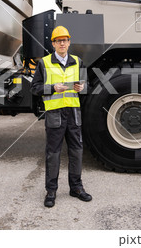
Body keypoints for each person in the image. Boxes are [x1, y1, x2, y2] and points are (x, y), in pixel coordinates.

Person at [31, 25, 92, 208]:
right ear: (53, 44)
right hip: (55, 114)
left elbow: (86, 85)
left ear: (69, 42)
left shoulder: (78, 61)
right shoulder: (44, 63)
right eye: (58, 41)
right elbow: (34, 88)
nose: (62, 43)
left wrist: (83, 88)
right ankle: (51, 191)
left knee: (76, 151)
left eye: (65, 40)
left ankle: (76, 187)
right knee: (53, 153)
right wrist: (52, 88)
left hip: (73, 113)